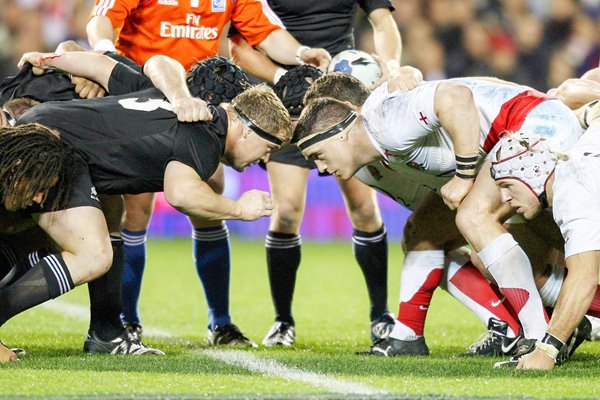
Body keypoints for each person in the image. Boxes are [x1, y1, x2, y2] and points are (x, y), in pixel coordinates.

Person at [0, 50, 290, 357]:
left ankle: (107, 333)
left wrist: (50, 59)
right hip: (51, 150)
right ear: (247, 128)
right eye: (269, 146)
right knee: (94, 255)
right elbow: (181, 194)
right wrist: (240, 209)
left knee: (89, 221)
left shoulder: (167, 95)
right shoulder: (208, 130)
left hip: (39, 131)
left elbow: (104, 65)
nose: (266, 159)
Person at [86, 0, 330, 345]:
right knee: (135, 210)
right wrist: (106, 51)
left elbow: (266, 31)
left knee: (209, 202)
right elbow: (101, 20)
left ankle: (221, 321)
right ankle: (127, 320)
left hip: (199, 109)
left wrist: (301, 52)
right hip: (142, 99)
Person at [294, 74, 584, 356]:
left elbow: (456, 96)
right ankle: (557, 327)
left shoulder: (384, 125)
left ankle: (537, 339)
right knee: (433, 232)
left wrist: (464, 174)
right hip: (519, 130)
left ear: (340, 133)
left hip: (533, 123)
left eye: (319, 154)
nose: (320, 169)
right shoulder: (379, 143)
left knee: (474, 217)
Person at [228, 0, 419, 347]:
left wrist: (390, 65)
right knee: (286, 213)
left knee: (363, 208)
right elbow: (238, 43)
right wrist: (283, 76)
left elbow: (382, 22)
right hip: (286, 97)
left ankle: (381, 315)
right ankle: (283, 320)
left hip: (341, 97)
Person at [490, 115, 600, 369]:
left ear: (533, 172)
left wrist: (547, 351)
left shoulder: (571, 192)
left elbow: (584, 277)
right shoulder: (581, 156)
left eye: (507, 185)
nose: (505, 198)